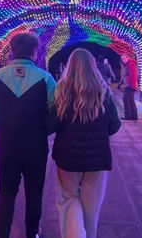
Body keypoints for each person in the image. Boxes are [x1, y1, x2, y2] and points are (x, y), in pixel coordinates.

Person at [0, 33, 56, 238]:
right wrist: (44, 129)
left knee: (6, 191)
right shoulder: (46, 78)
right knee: (34, 192)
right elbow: (56, 111)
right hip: (36, 148)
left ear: (12, 51)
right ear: (34, 52)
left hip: (7, 146)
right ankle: (32, 233)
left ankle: (2, 234)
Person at [47, 48, 121, 238]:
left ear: (69, 66)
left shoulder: (61, 89)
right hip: (97, 159)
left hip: (68, 157)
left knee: (68, 199)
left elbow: (51, 125)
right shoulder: (102, 90)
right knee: (92, 206)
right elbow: (114, 125)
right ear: (92, 66)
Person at [120, 54, 138, 120]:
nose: (123, 60)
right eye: (122, 59)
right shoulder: (128, 65)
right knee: (131, 100)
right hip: (129, 85)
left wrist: (133, 86)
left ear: (128, 58)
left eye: (124, 58)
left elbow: (133, 75)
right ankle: (134, 116)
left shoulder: (130, 64)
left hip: (130, 85)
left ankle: (128, 116)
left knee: (126, 100)